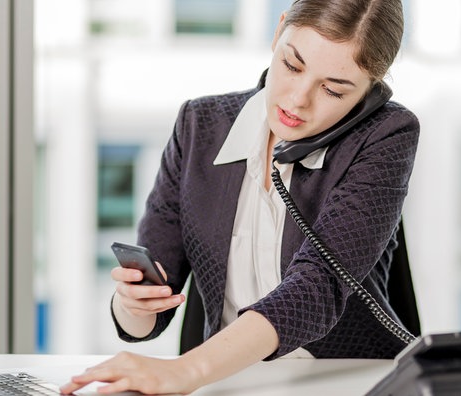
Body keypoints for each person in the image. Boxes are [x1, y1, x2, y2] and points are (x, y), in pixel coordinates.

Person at [61, 0, 420, 394]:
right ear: (278, 31)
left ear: (372, 89)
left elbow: (317, 287)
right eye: (292, 65)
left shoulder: (387, 134)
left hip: (348, 382)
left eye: (333, 89)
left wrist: (184, 371)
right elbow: (151, 309)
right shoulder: (200, 126)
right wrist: (132, 305)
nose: (299, 100)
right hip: (227, 382)